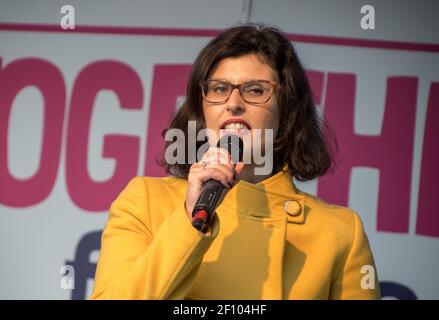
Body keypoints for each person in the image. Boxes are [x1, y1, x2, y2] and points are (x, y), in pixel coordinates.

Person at [90, 23, 380, 300]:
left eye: (255, 90)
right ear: (201, 111)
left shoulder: (340, 232)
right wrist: (190, 219)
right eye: (218, 88)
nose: (233, 103)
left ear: (287, 108)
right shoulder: (145, 202)